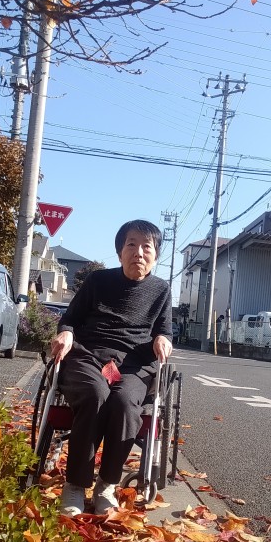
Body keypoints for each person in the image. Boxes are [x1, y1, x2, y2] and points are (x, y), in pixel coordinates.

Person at [50, 220, 173, 516]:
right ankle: (75, 485)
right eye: (131, 244)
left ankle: (106, 485)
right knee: (95, 394)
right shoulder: (97, 281)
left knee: (124, 402)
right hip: (89, 355)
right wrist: (65, 333)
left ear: (156, 255)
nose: (139, 252)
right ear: (119, 252)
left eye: (147, 247)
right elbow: (70, 319)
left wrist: (162, 339)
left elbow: (165, 330)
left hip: (132, 364)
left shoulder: (161, 289)